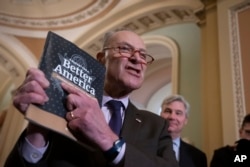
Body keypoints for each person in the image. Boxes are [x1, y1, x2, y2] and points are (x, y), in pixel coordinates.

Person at [4, 28, 179, 167]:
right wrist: (38, 126)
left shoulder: (156, 126)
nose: (136, 59)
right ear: (102, 59)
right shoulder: (65, 105)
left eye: (143, 55)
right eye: (125, 49)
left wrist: (108, 140)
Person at [160, 94, 207, 167]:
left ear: (186, 120)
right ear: (160, 115)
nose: (172, 117)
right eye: (168, 111)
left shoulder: (198, 157)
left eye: (178, 113)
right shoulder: (143, 147)